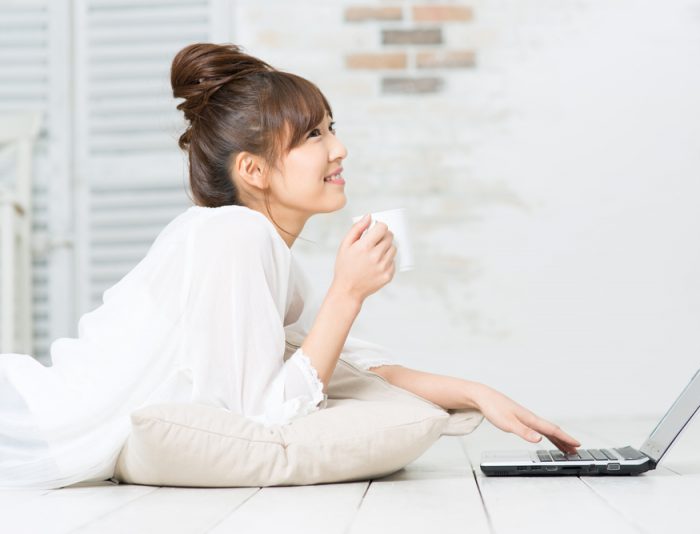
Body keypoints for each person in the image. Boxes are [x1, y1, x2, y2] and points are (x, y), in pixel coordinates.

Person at [0, 43, 580, 490]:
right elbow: (266, 415)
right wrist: (346, 293)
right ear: (254, 171)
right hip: (34, 423)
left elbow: (361, 370)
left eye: (331, 127)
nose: (338, 149)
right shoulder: (233, 234)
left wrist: (477, 394)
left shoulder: (262, 248)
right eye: (312, 135)